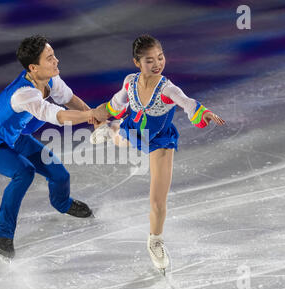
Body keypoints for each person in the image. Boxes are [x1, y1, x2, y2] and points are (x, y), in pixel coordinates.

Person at [91, 34, 226, 274]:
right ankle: (109, 130)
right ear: (137, 63)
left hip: (160, 142)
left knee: (157, 201)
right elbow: (116, 103)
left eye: (160, 58)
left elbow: (187, 103)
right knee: (120, 140)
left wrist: (202, 113)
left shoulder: (167, 89)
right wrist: (99, 114)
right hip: (135, 128)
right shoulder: (130, 82)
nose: (157, 64)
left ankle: (155, 241)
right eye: (149, 60)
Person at [0, 35, 95, 259]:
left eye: (54, 55)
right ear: (33, 67)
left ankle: (62, 203)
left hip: (15, 137)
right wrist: (90, 115)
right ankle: (1, 235)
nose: (56, 61)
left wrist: (95, 120)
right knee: (24, 173)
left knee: (59, 174)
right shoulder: (24, 94)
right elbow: (58, 116)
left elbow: (69, 100)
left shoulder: (50, 79)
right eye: (50, 58)